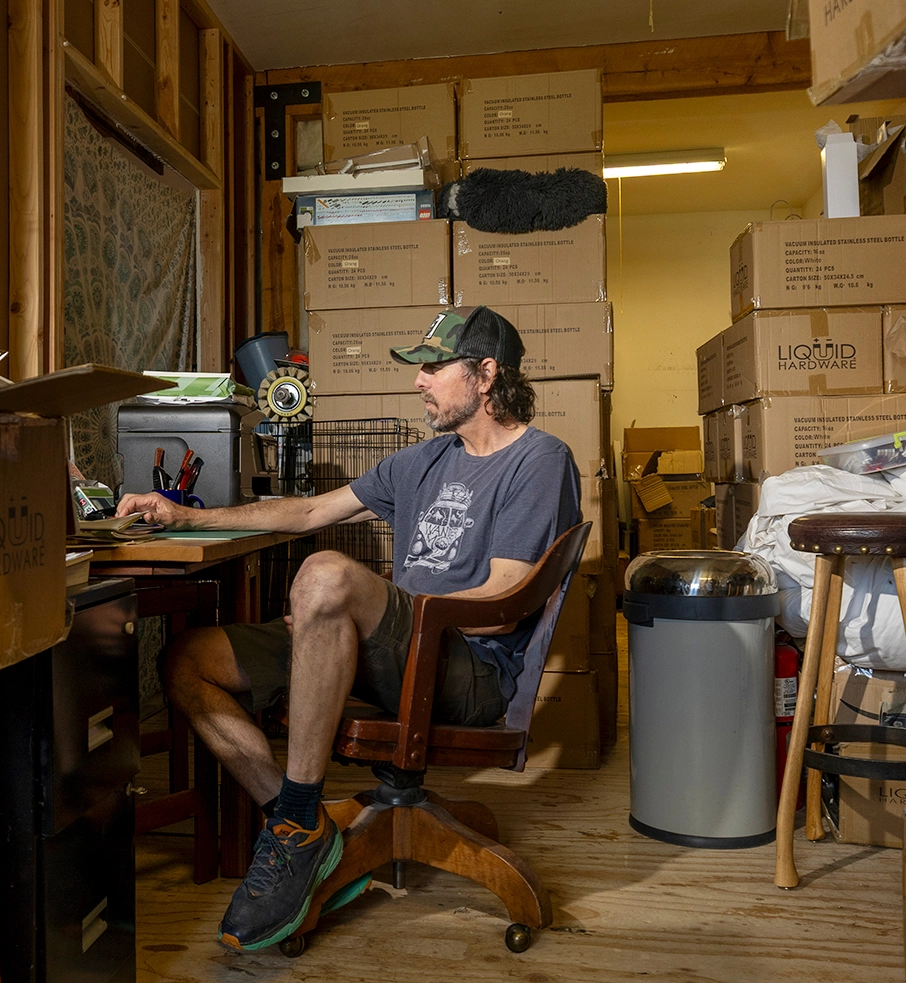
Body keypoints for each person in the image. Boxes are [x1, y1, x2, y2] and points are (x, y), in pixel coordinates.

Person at [115, 306, 582, 952]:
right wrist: (184, 516)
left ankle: (294, 824)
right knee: (189, 660)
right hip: (397, 653)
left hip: (466, 669)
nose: (419, 381)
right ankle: (300, 824)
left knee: (326, 574)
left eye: (434, 367)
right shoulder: (424, 460)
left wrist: (347, 608)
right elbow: (309, 511)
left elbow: (502, 602)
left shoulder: (539, 459)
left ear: (486, 374)